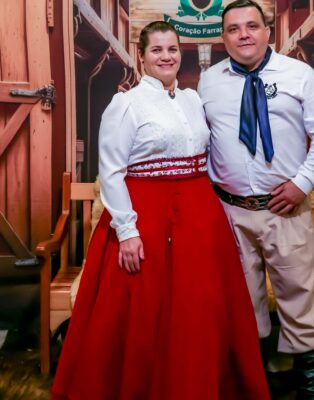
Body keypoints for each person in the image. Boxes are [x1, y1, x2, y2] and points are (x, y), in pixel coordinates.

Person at [51, 21, 270, 400]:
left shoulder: (192, 100)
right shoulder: (126, 104)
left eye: (172, 49)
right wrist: (127, 231)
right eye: (157, 50)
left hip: (199, 217)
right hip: (146, 215)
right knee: (145, 311)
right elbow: (112, 172)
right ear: (142, 56)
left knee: (200, 309)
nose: (166, 57)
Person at [198, 1, 314, 399]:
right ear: (223, 37)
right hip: (229, 211)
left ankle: (310, 387)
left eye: (252, 26)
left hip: (286, 207)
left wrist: (304, 182)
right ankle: (257, 383)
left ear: (268, 31)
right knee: (242, 302)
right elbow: (202, 140)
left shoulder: (298, 74)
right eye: (233, 29)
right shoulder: (209, 81)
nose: (243, 34)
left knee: (301, 296)